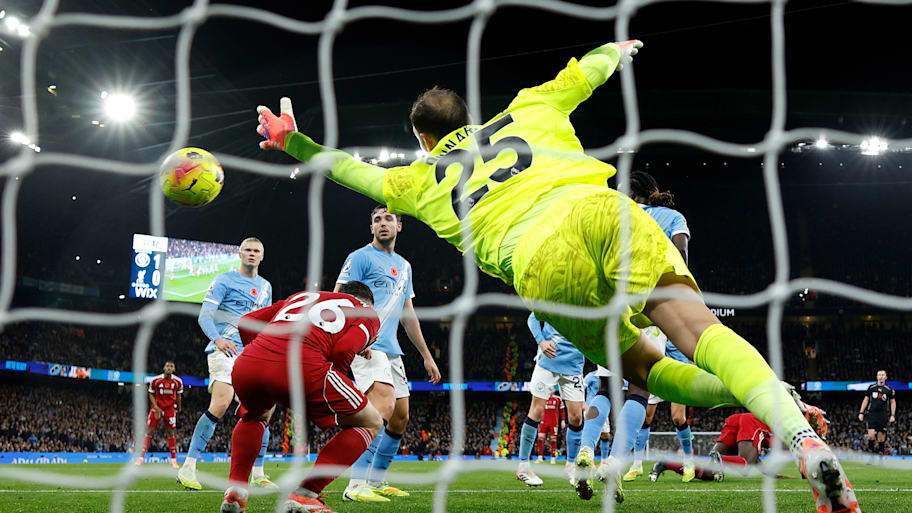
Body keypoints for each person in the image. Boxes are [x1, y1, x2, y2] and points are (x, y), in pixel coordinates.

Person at [256, 39, 859, 513]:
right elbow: (586, 72)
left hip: (542, 262)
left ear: (423, 139)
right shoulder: (529, 108)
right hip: (603, 211)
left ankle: (766, 399)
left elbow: (349, 170)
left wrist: (294, 142)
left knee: (647, 369)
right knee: (698, 332)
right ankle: (798, 435)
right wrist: (616, 52)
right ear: (469, 115)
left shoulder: (415, 180)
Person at [218, 282, 382, 513]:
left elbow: (246, 322)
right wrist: (327, 383)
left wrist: (263, 358)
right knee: (371, 422)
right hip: (305, 367)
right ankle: (306, 494)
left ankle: (236, 491)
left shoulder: (303, 295)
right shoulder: (367, 313)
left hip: (248, 365)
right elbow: (343, 350)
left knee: (255, 416)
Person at [335, 206, 441, 503]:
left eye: (388, 219)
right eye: (377, 220)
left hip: (392, 349)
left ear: (399, 226)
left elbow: (408, 314)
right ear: (371, 228)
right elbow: (339, 295)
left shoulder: (404, 266)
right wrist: (354, 334)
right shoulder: (360, 257)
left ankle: (378, 481)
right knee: (379, 408)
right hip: (367, 345)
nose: (383, 224)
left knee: (400, 417)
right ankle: (355, 484)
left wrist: (426, 356)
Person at [178, 238, 275, 490]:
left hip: (251, 353)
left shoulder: (266, 287)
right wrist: (218, 339)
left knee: (262, 410)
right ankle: (188, 467)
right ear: (240, 254)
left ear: (262, 256)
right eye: (248, 250)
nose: (252, 254)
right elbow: (205, 315)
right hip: (225, 350)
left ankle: (259, 473)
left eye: (257, 251)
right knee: (221, 403)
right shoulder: (224, 280)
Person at [622, 171, 696, 483]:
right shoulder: (674, 217)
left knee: (665, 408)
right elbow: (682, 256)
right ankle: (635, 463)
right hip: (671, 313)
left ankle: (688, 462)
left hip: (642, 313)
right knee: (649, 411)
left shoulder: (621, 216)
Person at [651, 403, 828, 482]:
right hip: (752, 422)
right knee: (745, 464)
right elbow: (803, 457)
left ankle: (668, 463)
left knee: (708, 472)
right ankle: (718, 459)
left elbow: (757, 459)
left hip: (738, 420)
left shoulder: (790, 419)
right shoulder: (797, 429)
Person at [516, 313, 585, 486]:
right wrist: (541, 341)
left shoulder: (587, 299)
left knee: (576, 417)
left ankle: (570, 466)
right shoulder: (553, 295)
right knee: (537, 410)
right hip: (548, 361)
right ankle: (523, 465)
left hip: (574, 364)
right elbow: (532, 318)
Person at [137, 361, 183, 468]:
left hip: (170, 409)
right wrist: (156, 407)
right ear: (164, 368)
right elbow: (151, 394)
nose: (169, 368)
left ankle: (173, 460)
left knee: (170, 432)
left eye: (171, 366)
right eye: (167, 366)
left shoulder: (178, 382)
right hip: (157, 408)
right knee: (150, 431)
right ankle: (141, 458)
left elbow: (179, 396)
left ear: (174, 369)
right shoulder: (156, 380)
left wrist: (179, 408)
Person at [858, 370, 896, 464]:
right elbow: (866, 400)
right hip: (872, 414)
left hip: (883, 415)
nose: (881, 376)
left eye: (883, 375)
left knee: (881, 438)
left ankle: (880, 457)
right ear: (876, 377)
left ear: (886, 377)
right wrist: (861, 412)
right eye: (879, 375)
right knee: (871, 436)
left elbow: (892, 402)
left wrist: (892, 415)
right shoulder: (871, 388)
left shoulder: (889, 389)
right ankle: (871, 457)